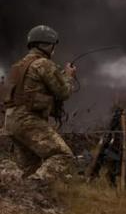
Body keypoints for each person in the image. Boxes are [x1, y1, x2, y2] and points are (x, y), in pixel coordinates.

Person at [2, 25, 77, 180]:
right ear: (48, 45)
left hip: (11, 122)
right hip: (28, 120)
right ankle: (36, 186)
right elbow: (63, 92)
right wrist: (69, 76)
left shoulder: (18, 66)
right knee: (63, 156)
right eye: (53, 46)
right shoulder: (43, 64)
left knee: (31, 166)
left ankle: (29, 200)